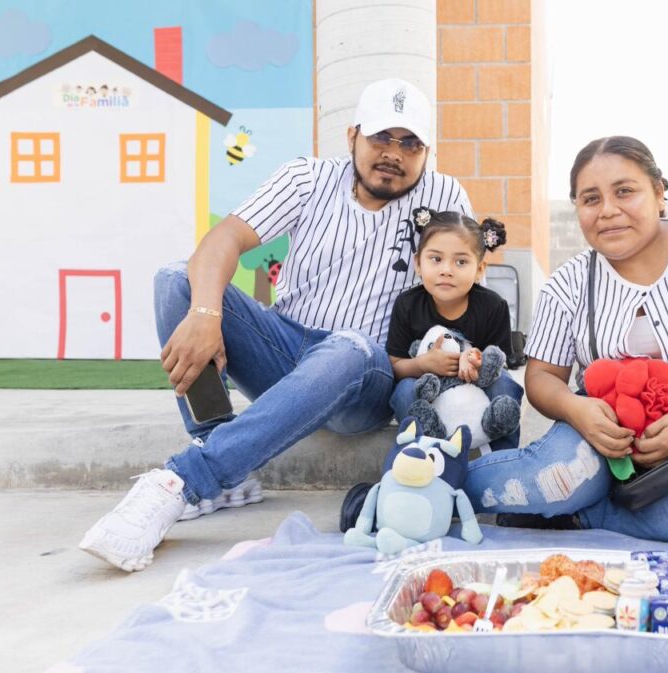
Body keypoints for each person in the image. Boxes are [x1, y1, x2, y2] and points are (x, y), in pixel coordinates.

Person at [80, 78, 490, 572]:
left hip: (366, 372)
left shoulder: (444, 194)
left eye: (410, 144)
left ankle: (185, 481)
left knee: (350, 346)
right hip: (283, 347)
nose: (393, 154)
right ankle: (220, 455)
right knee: (177, 280)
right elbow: (224, 239)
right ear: (352, 136)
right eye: (381, 136)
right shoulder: (307, 178)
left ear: (427, 153)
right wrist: (207, 314)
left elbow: (463, 292)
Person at [464, 136, 668, 544]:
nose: (608, 210)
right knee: (560, 476)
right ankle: (428, 484)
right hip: (594, 441)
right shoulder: (568, 283)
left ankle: (582, 516)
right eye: (591, 199)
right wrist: (576, 409)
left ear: (659, 193)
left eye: (625, 191)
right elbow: (541, 377)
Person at [385, 210, 522, 449]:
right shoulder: (407, 305)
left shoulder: (493, 306)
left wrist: (474, 361)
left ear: (479, 269)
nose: (446, 270)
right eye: (436, 259)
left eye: (461, 262)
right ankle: (424, 452)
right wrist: (423, 364)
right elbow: (395, 365)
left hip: (475, 383)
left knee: (506, 385)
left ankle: (503, 456)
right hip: (426, 383)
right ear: (418, 263)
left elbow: (498, 364)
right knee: (405, 391)